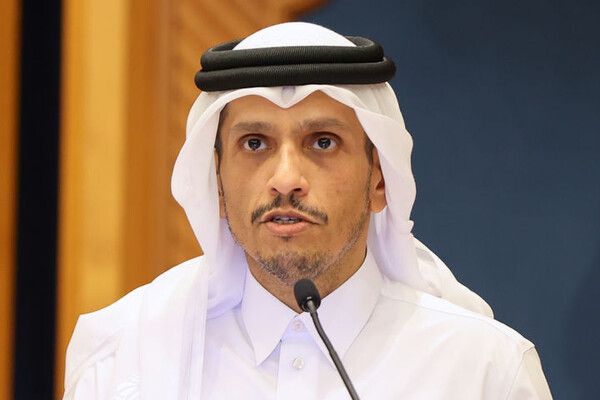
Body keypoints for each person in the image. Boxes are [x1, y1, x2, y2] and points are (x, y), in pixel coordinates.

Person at [62, 22, 552, 399]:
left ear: (379, 179)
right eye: (255, 143)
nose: (285, 178)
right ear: (217, 184)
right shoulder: (124, 359)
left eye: (323, 141)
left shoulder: (482, 371)